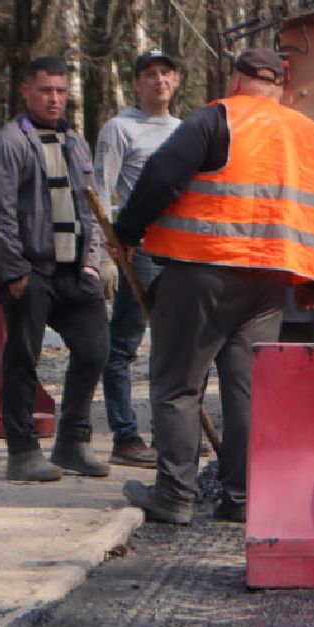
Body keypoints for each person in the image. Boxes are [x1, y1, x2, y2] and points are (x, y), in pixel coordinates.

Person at [114, 46, 314, 524]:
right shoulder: (313, 136)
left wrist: (127, 233)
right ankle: (241, 499)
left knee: (178, 384)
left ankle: (174, 495)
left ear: (235, 80)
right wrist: (313, 284)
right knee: (247, 390)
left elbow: (160, 174)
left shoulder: (216, 119)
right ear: (280, 86)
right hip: (270, 281)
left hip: (202, 270)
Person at [0, 55, 111, 482]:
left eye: (60, 91)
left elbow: (90, 209)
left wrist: (92, 263)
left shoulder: (76, 142)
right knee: (23, 358)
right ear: (26, 91)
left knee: (95, 350)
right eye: (45, 91)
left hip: (74, 272)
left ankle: (72, 442)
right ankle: (21, 451)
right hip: (29, 271)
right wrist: (15, 272)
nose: (54, 99)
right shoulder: (8, 143)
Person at [95, 50, 183, 468]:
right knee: (125, 344)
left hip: (180, 250)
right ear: (137, 83)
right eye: (150, 75)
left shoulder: (185, 131)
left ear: (176, 81)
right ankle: (125, 436)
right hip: (140, 248)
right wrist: (103, 254)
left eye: (165, 73)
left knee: (177, 345)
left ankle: (173, 435)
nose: (158, 81)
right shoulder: (120, 129)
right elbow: (100, 191)